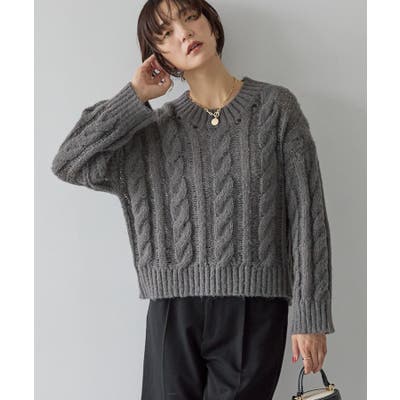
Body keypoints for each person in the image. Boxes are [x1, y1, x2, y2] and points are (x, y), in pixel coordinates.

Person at [51, 0, 336, 398]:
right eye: (166, 33)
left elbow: (308, 214)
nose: (184, 33)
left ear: (211, 25)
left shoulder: (275, 109)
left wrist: (311, 315)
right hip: (173, 310)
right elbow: (69, 162)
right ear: (158, 56)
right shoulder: (153, 132)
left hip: (254, 309)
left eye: (190, 18)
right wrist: (135, 96)